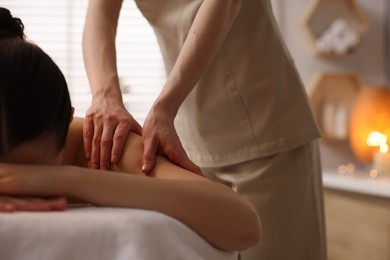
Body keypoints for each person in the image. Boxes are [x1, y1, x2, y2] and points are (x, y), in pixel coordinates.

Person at [0, 8, 261, 252]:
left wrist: (67, 179)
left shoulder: (101, 148)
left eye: (27, 176)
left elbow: (244, 224)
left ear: (66, 119)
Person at [82, 0, 327, 259]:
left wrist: (164, 107)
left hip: (265, 129)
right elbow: (100, 10)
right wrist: (104, 97)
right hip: (187, 142)